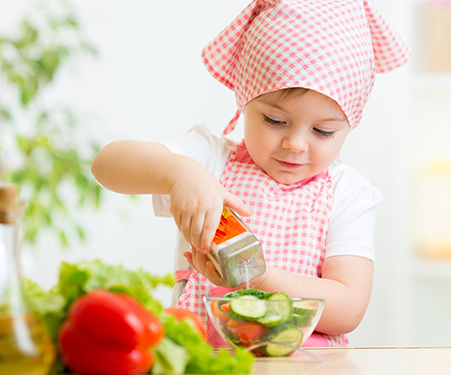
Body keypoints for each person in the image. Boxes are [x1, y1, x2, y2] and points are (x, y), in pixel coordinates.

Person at [91, 0, 411, 347]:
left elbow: (348, 308)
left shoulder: (348, 193)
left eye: (323, 131)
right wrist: (177, 173)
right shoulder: (210, 159)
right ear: (245, 101)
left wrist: (257, 275)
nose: (295, 144)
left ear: (349, 126)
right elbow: (106, 164)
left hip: (306, 370)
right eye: (275, 121)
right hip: (205, 364)